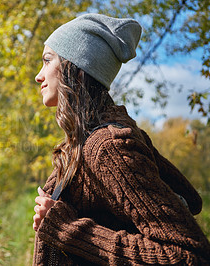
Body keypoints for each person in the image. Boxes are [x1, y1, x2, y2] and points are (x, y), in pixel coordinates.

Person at [32, 13, 210, 265]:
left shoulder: (108, 146)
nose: (39, 76)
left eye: (47, 61)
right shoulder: (89, 142)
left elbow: (188, 255)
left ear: (76, 68)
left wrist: (69, 229)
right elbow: (189, 199)